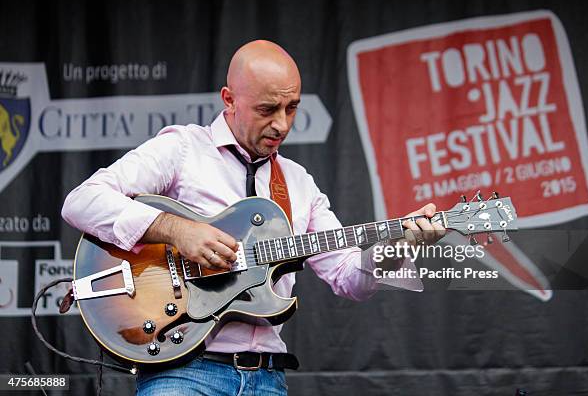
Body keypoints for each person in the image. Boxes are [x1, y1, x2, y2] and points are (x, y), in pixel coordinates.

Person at [61, 40, 445, 396]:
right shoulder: (182, 150)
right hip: (182, 370)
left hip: (267, 377)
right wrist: (177, 230)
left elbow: (349, 280)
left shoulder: (297, 183)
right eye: (267, 109)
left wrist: (398, 245)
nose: (282, 124)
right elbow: (82, 200)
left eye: (292, 107)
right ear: (229, 100)